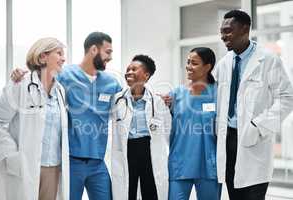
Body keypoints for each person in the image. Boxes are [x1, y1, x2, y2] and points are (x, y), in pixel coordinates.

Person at [10, 32, 121, 200]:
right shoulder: (64, 75)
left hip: (98, 161)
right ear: (93, 49)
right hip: (72, 161)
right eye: (108, 51)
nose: (110, 57)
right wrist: (18, 73)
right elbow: (39, 79)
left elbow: (128, 105)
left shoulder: (112, 83)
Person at [214, 10, 293, 200]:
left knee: (254, 195)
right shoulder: (224, 63)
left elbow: (287, 97)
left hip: (254, 138)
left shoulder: (268, 60)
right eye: (222, 31)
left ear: (245, 29)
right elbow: (214, 96)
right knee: (234, 194)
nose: (223, 36)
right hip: (228, 139)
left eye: (228, 31)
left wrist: (259, 125)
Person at [0, 37, 69, 200]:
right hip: (24, 165)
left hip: (53, 167)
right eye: (59, 53)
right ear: (42, 57)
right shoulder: (20, 84)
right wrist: (11, 156)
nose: (64, 58)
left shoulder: (60, 91)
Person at [111, 55, 171, 200]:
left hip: (149, 150)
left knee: (151, 191)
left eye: (134, 69)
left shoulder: (157, 101)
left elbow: (169, 131)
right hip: (128, 149)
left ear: (146, 75)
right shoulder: (117, 100)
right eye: (127, 69)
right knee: (128, 191)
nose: (129, 72)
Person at [168, 47, 221, 200]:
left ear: (207, 67)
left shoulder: (219, 93)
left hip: (209, 165)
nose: (188, 66)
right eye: (188, 62)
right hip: (180, 163)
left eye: (194, 63)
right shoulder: (176, 94)